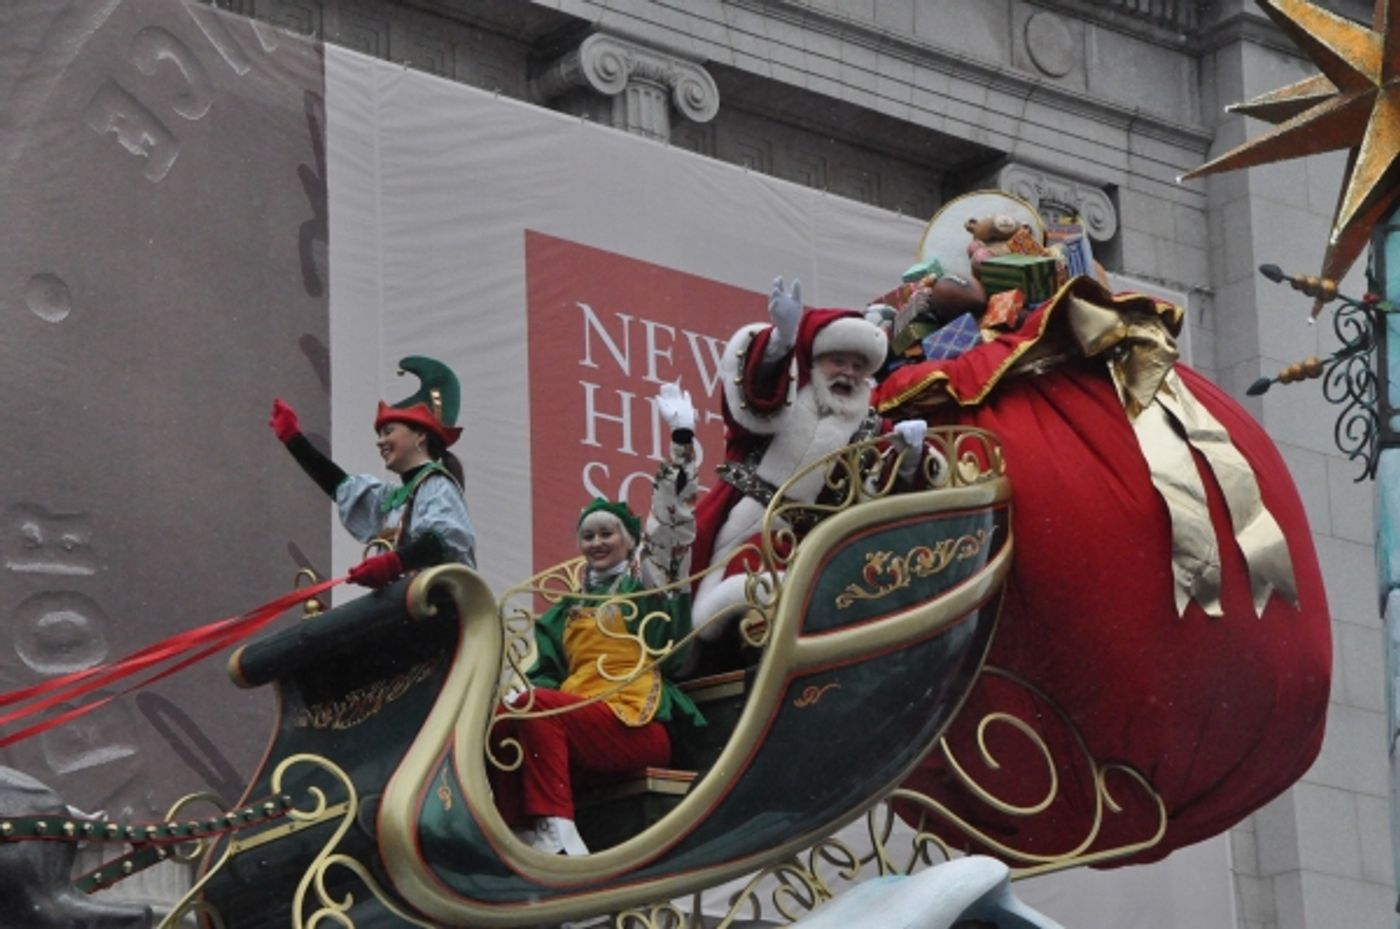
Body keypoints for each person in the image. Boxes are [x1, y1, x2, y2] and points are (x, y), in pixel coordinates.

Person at [491, 383, 706, 856]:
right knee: (503, 718)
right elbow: (541, 672)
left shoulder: (645, 584)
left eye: (607, 532)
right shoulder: (567, 608)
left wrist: (682, 440)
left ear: (629, 540)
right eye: (587, 536)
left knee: (534, 707)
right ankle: (517, 833)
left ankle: (559, 837)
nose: (597, 542)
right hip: (576, 723)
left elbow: (670, 527)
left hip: (636, 724)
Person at [690, 277, 934, 637]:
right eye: (839, 362)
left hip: (813, 545)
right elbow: (755, 397)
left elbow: (893, 491)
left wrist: (911, 453)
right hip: (741, 521)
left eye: (858, 366)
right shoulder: (784, 399)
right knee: (703, 607)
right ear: (817, 361)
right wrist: (780, 342)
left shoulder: (871, 427)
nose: (848, 374)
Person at [268, 355, 476, 586]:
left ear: (420, 435)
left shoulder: (436, 484)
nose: (380, 441)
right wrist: (295, 441)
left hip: (440, 610)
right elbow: (342, 488)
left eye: (388, 431)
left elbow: (443, 539)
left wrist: (392, 563)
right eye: (380, 434)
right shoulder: (392, 499)